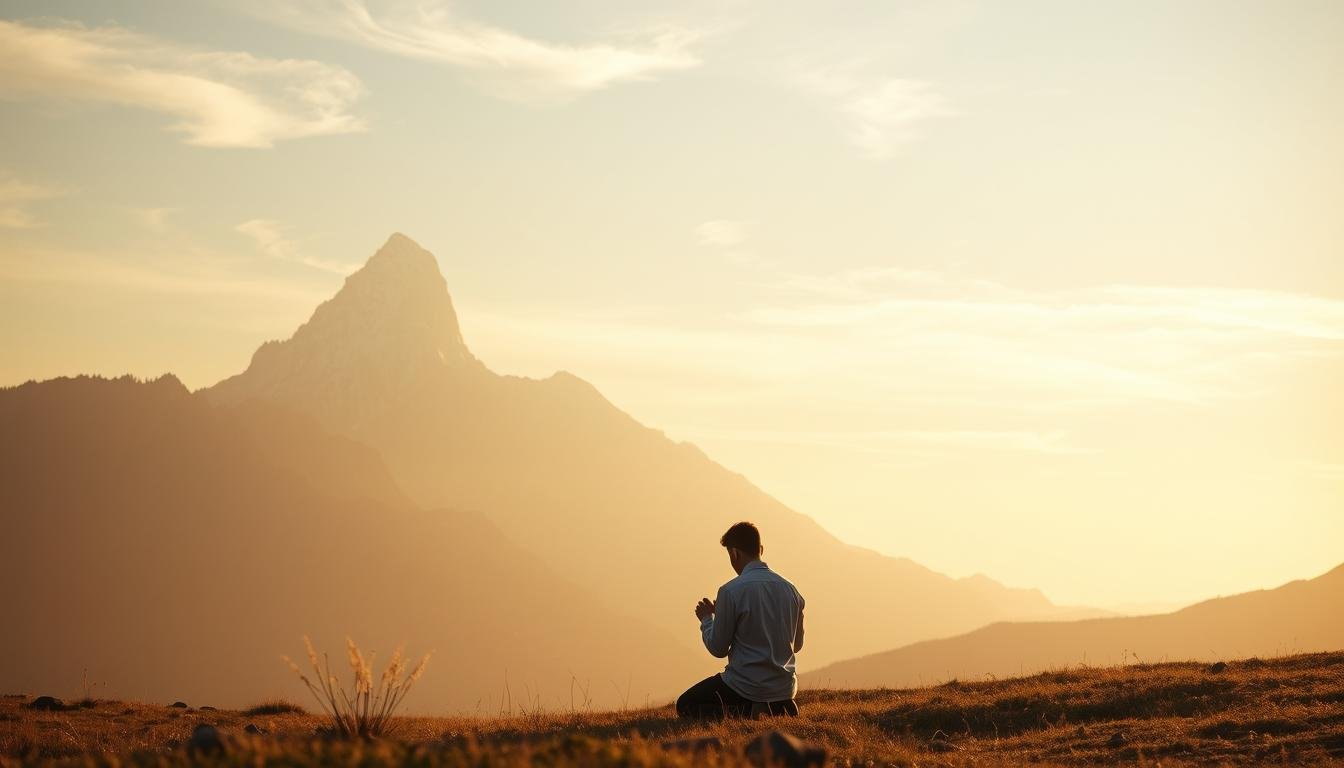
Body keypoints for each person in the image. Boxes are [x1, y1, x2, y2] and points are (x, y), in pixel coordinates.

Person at [675, 521, 806, 719]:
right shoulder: (791, 590)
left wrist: (707, 620)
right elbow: (796, 645)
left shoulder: (730, 591)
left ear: (734, 553)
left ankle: (751, 711)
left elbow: (718, 649)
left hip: (745, 685)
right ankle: (779, 707)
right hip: (784, 688)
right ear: (761, 549)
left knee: (686, 704)